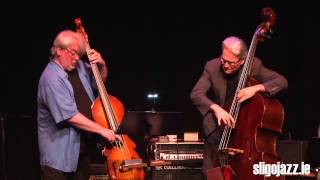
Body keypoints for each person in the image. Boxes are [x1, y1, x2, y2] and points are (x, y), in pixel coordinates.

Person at [190, 36, 288, 177]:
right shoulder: (211, 66)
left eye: (231, 62)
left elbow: (282, 81)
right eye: (223, 59)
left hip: (241, 131)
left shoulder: (253, 65)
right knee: (211, 174)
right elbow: (196, 94)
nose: (225, 65)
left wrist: (257, 88)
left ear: (242, 61)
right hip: (217, 130)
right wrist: (216, 108)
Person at [37, 30, 118, 180]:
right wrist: (102, 130)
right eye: (73, 53)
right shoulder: (51, 78)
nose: (77, 58)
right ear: (58, 50)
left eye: (78, 54)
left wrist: (102, 65)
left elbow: (98, 83)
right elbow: (70, 116)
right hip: (59, 159)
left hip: (80, 154)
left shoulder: (78, 66)